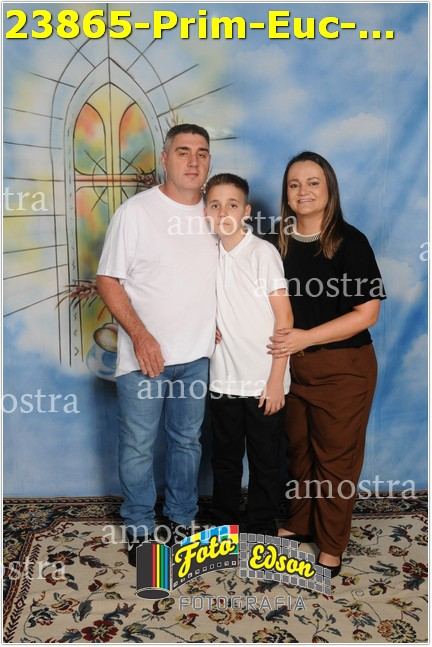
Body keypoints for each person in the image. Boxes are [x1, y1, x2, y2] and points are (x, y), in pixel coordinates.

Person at [96, 124, 217, 565]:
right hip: (144, 357)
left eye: (201, 152)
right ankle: (141, 528)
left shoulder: (215, 213)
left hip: (197, 357)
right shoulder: (136, 212)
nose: (193, 161)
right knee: (138, 446)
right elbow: (107, 280)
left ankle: (182, 520)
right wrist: (142, 336)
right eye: (183, 151)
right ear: (164, 158)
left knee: (187, 443)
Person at [268, 151, 386, 577]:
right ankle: (301, 522)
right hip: (292, 367)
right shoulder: (276, 243)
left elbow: (367, 313)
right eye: (294, 184)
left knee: (336, 460)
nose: (303, 191)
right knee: (299, 452)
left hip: (344, 368)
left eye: (313, 182)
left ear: (329, 188)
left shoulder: (350, 242)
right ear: (286, 193)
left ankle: (332, 544)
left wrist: (307, 337)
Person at [205, 173, 293, 536]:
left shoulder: (262, 253)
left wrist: (276, 380)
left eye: (232, 204)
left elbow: (284, 318)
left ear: (246, 211)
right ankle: (223, 527)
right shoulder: (205, 253)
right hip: (223, 379)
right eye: (214, 205)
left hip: (263, 380)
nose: (223, 212)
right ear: (205, 211)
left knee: (265, 460)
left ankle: (260, 529)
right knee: (224, 460)